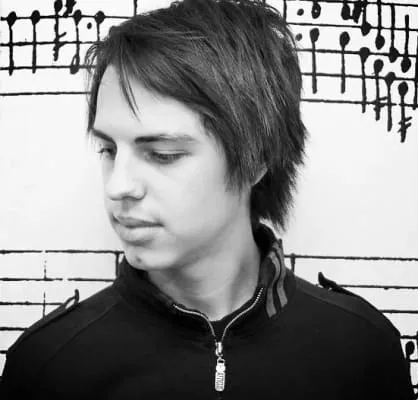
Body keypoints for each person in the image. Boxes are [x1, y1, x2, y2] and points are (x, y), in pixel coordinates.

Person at [0, 0, 414, 398]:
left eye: (163, 154)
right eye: (108, 150)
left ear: (257, 159)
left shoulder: (361, 349)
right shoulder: (49, 366)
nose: (117, 186)